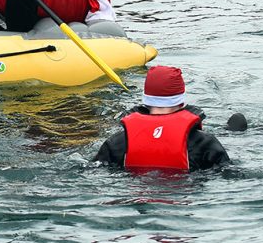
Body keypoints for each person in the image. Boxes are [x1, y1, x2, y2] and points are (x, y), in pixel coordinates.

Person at [93, 65, 230, 171]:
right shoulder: (203, 142)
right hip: (184, 196)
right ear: (181, 102)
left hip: (134, 193)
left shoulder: (118, 142)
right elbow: (227, 173)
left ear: (146, 101)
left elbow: (95, 170)